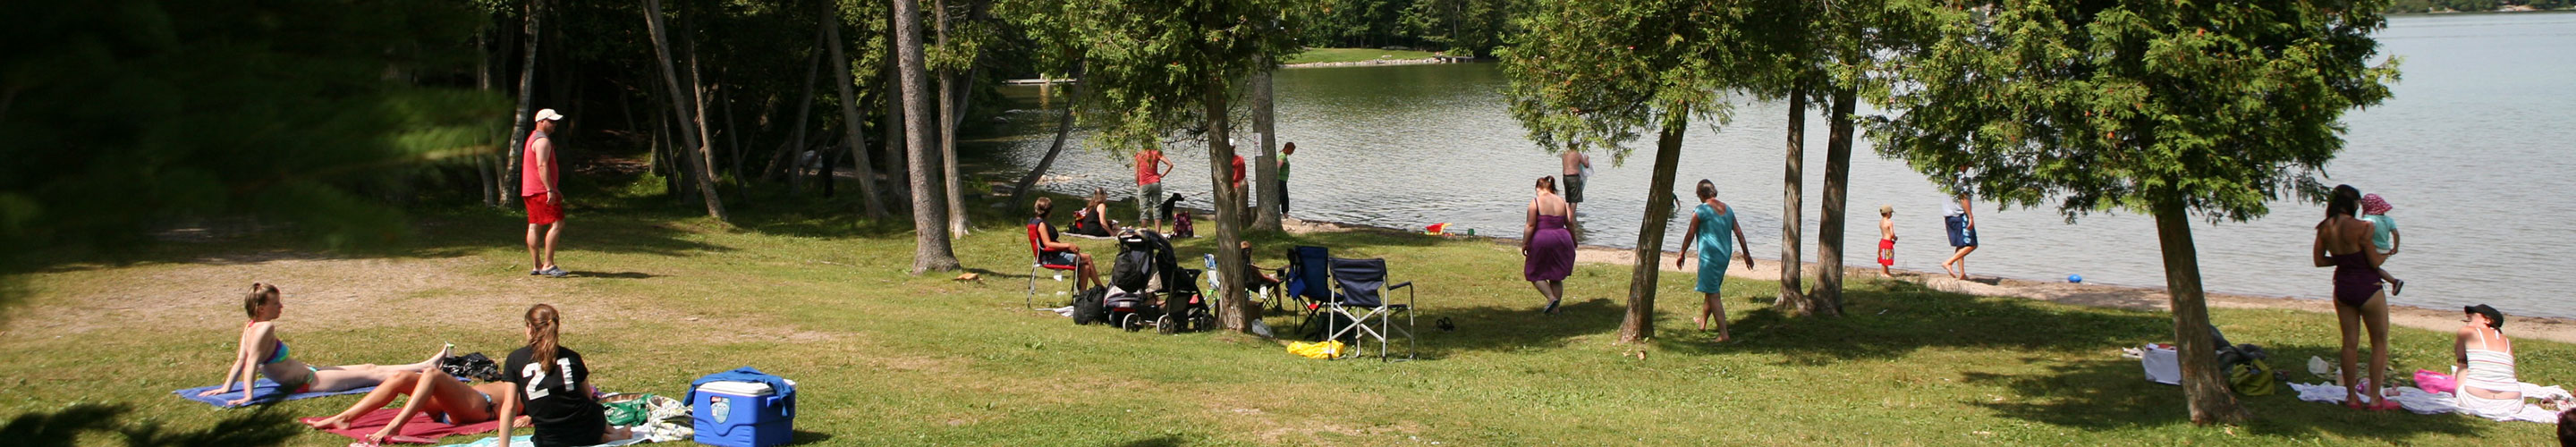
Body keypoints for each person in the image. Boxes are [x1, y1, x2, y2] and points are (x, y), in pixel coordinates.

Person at [202, 283, 445, 407]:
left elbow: (241, 360)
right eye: (276, 303)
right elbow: (250, 363)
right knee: (375, 376)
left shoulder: (251, 325)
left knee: (370, 365)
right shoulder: (265, 328)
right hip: (308, 383)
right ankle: (428, 372)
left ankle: (426, 364)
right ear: (262, 307)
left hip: (310, 373)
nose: (281, 307)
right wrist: (247, 396)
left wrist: (225, 388)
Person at [301, 356, 525, 444]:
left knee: (432, 374)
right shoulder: (525, 364)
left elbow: (557, 402)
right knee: (402, 377)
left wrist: (530, 416)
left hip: (481, 407)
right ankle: (344, 418)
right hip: (455, 405)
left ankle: (394, 426)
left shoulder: (548, 381)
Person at [2313, 184, 2397, 411]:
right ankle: (2376, 400)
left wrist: (2342, 259)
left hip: (2342, 287)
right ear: (2352, 203)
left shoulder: (2324, 228)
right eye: (2358, 203)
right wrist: (2386, 254)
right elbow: (2373, 262)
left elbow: (2319, 261)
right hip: (2367, 286)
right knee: (2379, 342)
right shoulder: (2362, 227)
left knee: (2349, 344)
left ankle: (2351, 398)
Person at [497, 304, 628, 447]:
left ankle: (609, 436)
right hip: (588, 428)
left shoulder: (515, 359)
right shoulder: (572, 357)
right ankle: (610, 435)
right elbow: (587, 396)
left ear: (530, 327)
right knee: (588, 415)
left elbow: (510, 406)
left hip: (549, 439)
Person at [2452, 304, 2568, 420]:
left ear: (2488, 320)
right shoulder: (2506, 340)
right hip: (2511, 403)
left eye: (2473, 314)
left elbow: (2460, 355)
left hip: (2474, 400)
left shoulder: (2467, 331)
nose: (2468, 316)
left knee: (2463, 364)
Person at [1674, 180, 1753, 342]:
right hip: (1724, 256)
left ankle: (1724, 334)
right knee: (1711, 289)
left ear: (1701, 195)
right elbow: (1738, 232)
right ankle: (1703, 323)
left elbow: (1690, 233)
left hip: (1709, 257)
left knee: (1713, 294)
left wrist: (1682, 252)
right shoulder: (1728, 210)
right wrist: (1746, 254)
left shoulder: (1700, 210)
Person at [523, 109, 569, 278]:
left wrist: (554, 188)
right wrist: (550, 189)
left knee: (534, 225)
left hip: (530, 189)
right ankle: (548, 265)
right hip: (541, 190)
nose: (555, 125)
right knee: (558, 223)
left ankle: (537, 265)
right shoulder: (543, 141)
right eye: (552, 121)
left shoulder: (532, 139)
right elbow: (542, 166)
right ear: (541, 121)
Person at [1522, 176, 1577, 314]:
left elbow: (1530, 225)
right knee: (1556, 276)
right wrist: (1574, 239)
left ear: (1538, 188)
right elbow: (1569, 222)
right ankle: (1555, 310)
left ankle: (1551, 298)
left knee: (1534, 272)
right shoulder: (1562, 201)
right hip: (1562, 238)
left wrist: (1525, 243)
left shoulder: (1535, 202)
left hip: (1543, 238)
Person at [1030, 198, 1104, 290]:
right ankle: (1101, 287)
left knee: (1086, 266)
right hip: (1050, 258)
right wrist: (1068, 245)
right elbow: (1047, 243)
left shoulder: (1033, 221)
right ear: (1049, 211)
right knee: (1087, 257)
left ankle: (1081, 297)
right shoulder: (1041, 225)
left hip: (1053, 255)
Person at [2360, 193, 2406, 295]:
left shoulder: (2368, 220)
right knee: (2374, 268)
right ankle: (2393, 282)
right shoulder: (2389, 220)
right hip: (2385, 250)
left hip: (2373, 250)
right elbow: (2396, 234)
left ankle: (2393, 281)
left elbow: (2363, 236)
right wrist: (2395, 248)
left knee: (2367, 266)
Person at [1133, 143, 1174, 232]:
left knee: (1144, 209)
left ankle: (1144, 232)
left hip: (1143, 184)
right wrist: (1162, 174)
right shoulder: (1156, 153)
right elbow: (1170, 164)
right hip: (1156, 183)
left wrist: (1138, 184)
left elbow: (1136, 173)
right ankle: (1158, 232)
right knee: (1157, 208)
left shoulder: (1139, 155)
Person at [1939, 191, 1978, 280]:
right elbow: (1963, 198)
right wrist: (1970, 216)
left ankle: (1962, 274)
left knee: (1961, 245)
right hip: (1960, 216)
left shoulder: (1947, 180)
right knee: (1972, 245)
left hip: (1949, 216)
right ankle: (1949, 262)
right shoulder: (1962, 181)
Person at [1561, 150, 1591, 216]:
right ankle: (1571, 217)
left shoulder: (1564, 154)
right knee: (1575, 199)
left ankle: (1567, 214)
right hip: (1574, 177)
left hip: (1565, 177)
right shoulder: (1577, 154)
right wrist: (1586, 159)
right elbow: (1586, 165)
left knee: (1569, 199)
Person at [1877, 205, 1898, 277]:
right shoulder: (1889, 222)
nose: (1891, 215)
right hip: (1887, 242)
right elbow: (1892, 234)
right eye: (1891, 213)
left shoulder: (1881, 222)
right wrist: (1895, 238)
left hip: (1882, 241)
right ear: (1888, 213)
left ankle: (1885, 272)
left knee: (1884, 258)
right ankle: (1884, 273)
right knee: (1887, 258)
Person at [1276, 142, 1295, 216]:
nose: (1292, 152)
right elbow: (1278, 167)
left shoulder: (1284, 156)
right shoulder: (1282, 157)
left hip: (1283, 180)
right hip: (1280, 180)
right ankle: (1275, 212)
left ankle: (1285, 214)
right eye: (1292, 150)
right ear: (1288, 149)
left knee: (1285, 198)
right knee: (1280, 197)